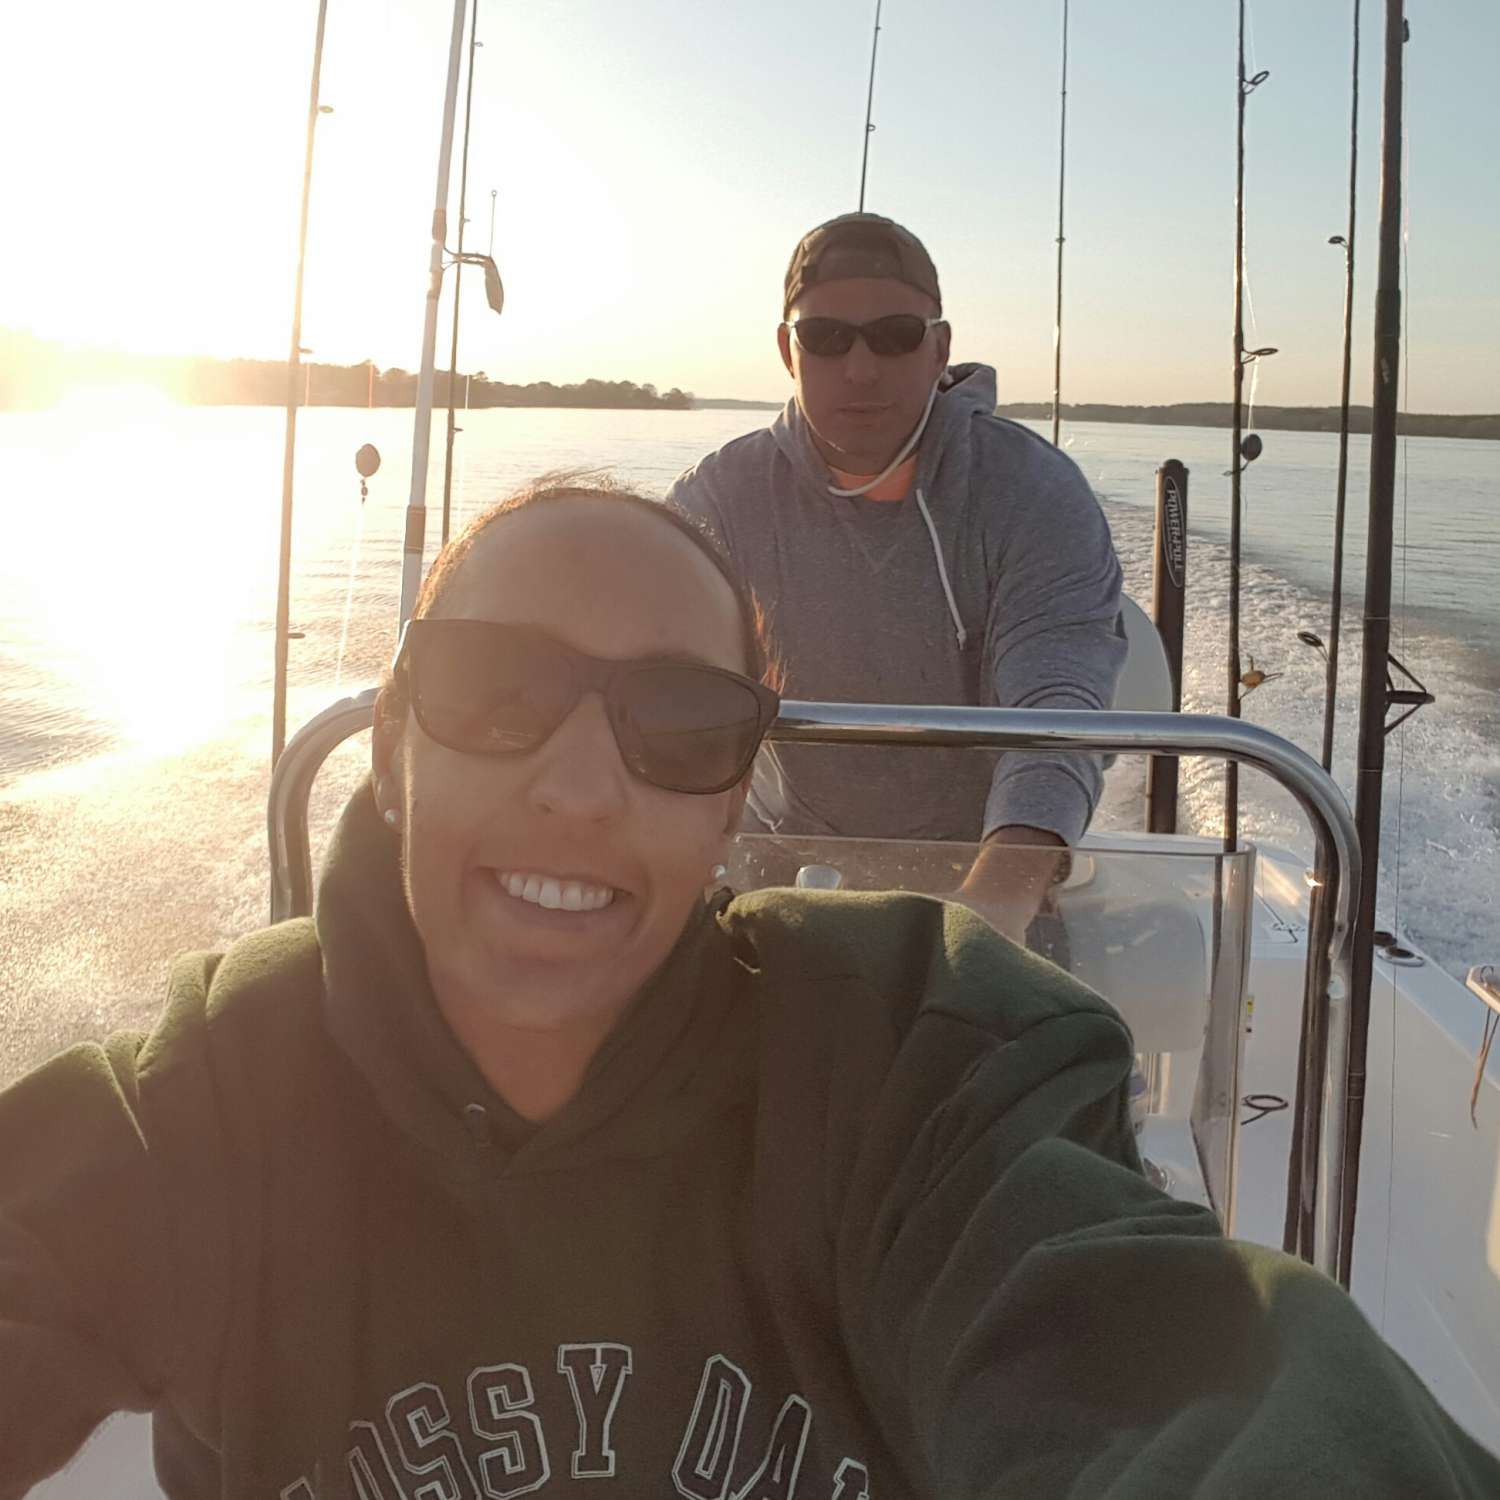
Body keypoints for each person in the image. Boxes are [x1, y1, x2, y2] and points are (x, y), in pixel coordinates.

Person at [3, 478, 1497, 1499]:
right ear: (392, 749)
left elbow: (1172, 1372)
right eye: (495, 691)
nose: (580, 783)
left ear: (734, 812)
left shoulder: (912, 1062)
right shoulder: (216, 1100)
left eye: (681, 722)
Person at [669, 212, 1127, 943]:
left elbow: (1058, 708)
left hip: (988, 874)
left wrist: (994, 907)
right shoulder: (722, 497)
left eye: (894, 335)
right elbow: (660, 683)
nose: (859, 367)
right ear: (789, 350)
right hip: (775, 869)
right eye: (825, 338)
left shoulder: (1034, 492)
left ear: (939, 347)